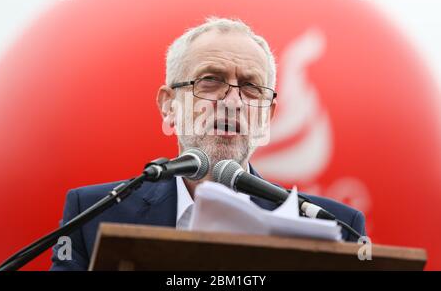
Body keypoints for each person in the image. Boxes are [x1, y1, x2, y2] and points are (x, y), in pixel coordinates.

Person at [51, 17, 366, 271]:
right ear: (169, 105)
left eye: (250, 87)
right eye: (210, 80)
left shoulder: (333, 226)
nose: (232, 102)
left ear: (267, 116)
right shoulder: (92, 214)